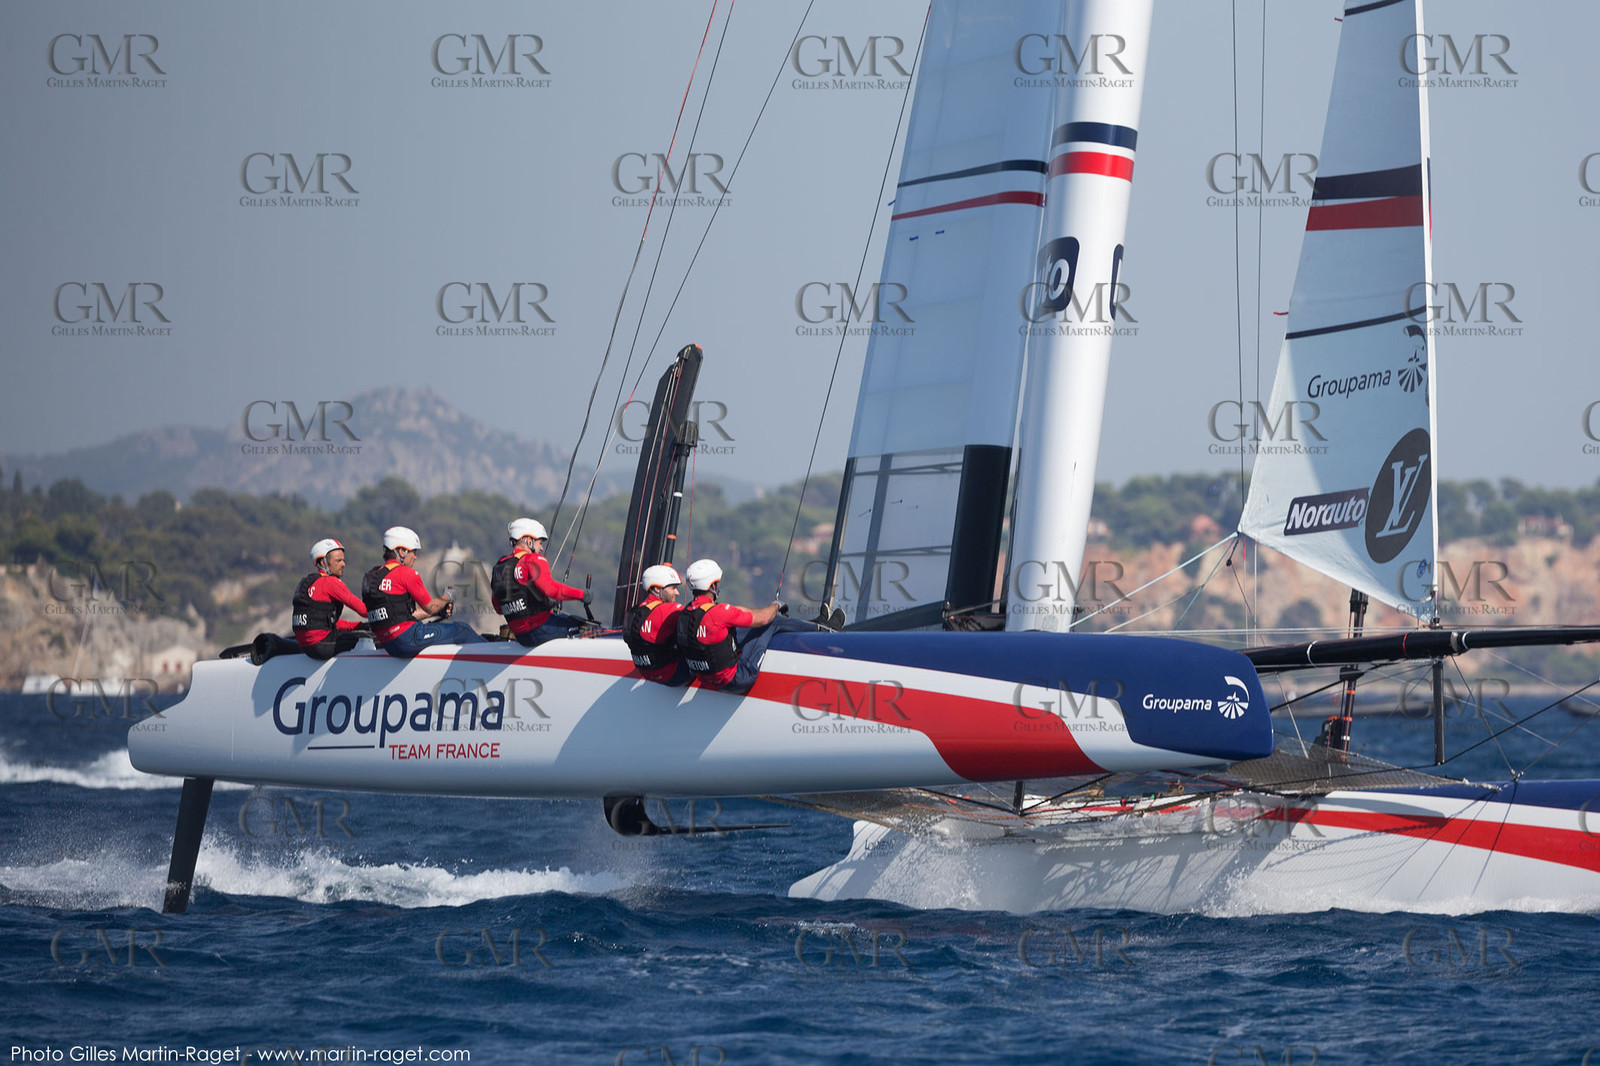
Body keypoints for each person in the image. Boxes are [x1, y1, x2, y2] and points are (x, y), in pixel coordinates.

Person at [676, 558, 818, 694]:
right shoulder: (720, 613)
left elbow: (733, 612)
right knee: (773, 622)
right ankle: (819, 629)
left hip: (707, 678)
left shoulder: (685, 614)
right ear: (713, 586)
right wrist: (776, 605)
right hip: (737, 680)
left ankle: (815, 626)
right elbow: (764, 619)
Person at [361, 526, 485, 658]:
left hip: (389, 644)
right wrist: (447, 596)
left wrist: (437, 612)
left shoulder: (372, 576)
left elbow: (402, 617)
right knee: (462, 629)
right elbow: (431, 607)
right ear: (402, 552)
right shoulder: (406, 573)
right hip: (408, 639)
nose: (415, 557)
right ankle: (492, 657)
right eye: (413, 552)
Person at [491, 518, 592, 648]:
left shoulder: (499, 567)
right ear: (528, 541)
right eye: (540, 543)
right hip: (541, 630)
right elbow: (551, 590)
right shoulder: (532, 559)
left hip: (522, 637)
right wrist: (583, 595)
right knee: (588, 628)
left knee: (564, 619)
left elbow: (498, 608)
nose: (542, 548)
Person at [291, 538, 370, 659]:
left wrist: (357, 626)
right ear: (323, 563)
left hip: (306, 647)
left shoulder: (306, 583)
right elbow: (365, 611)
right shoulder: (330, 582)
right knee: (370, 638)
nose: (343, 564)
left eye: (343, 560)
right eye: (338, 561)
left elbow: (324, 621)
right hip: (321, 646)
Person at [622, 564, 690, 685]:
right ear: (658, 589)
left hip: (646, 673)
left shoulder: (632, 612)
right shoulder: (669, 610)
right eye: (673, 588)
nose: (677, 593)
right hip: (674, 675)